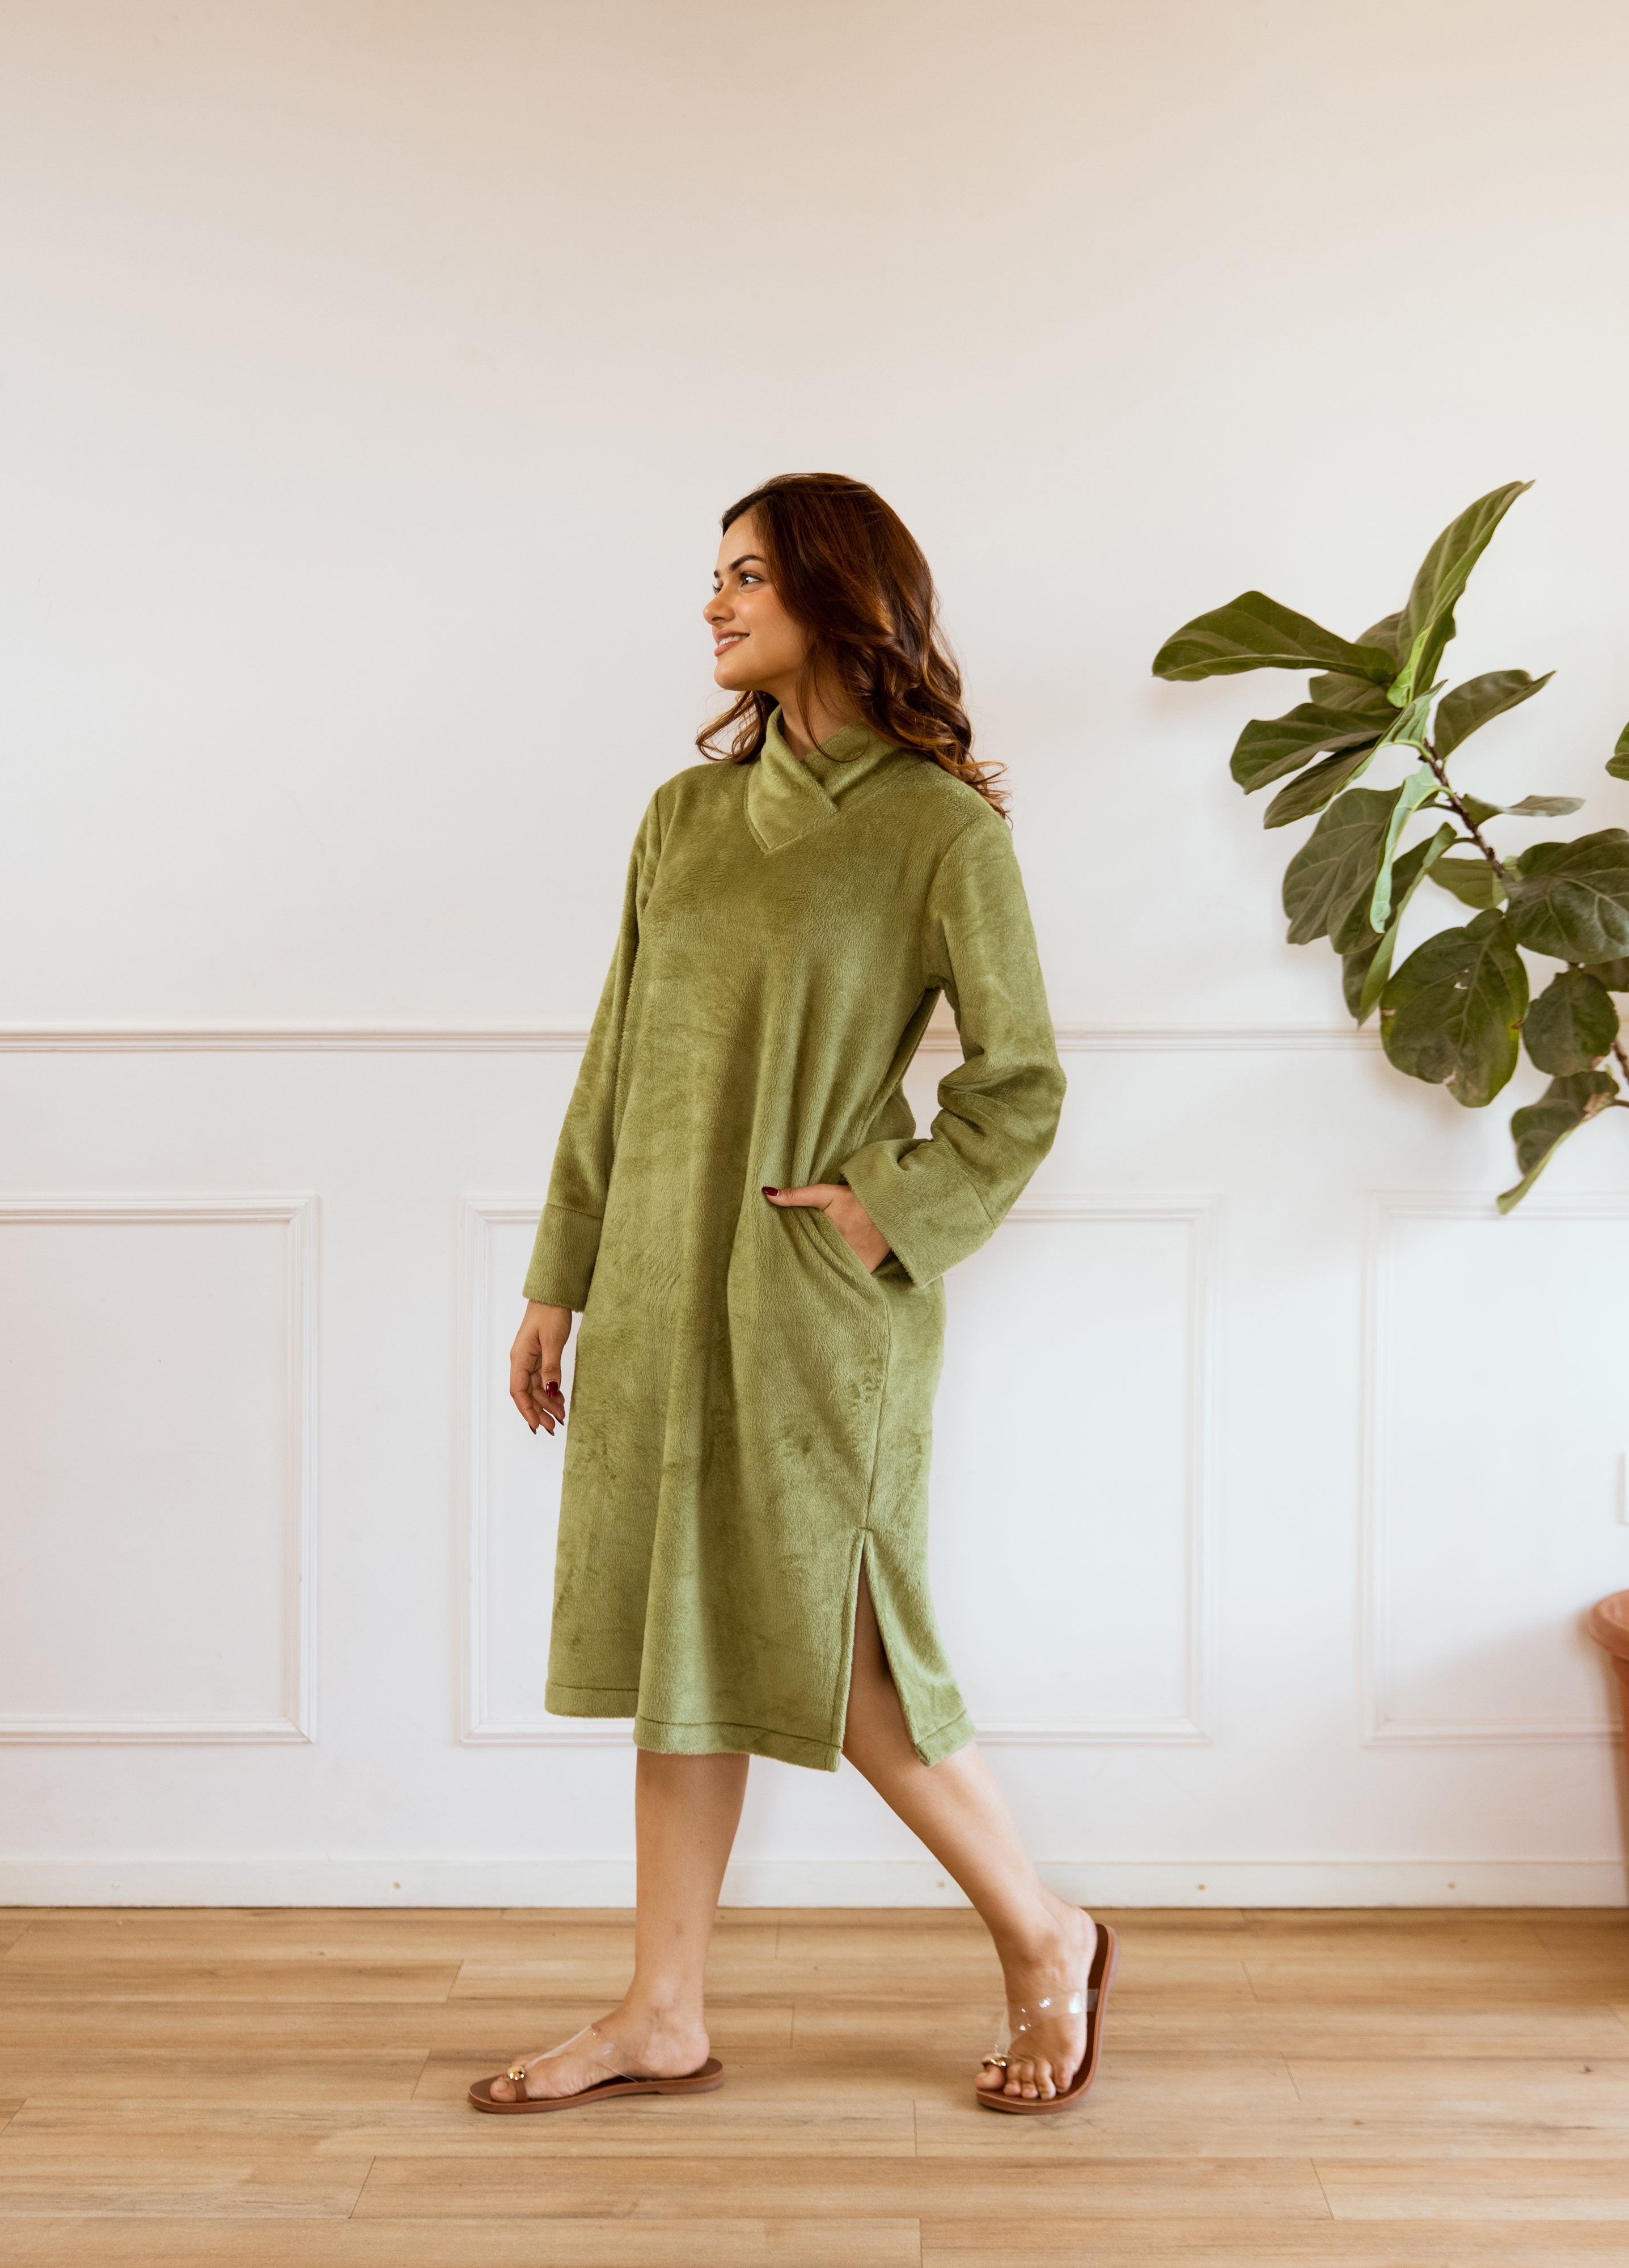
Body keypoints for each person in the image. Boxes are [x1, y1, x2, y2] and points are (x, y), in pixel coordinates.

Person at [469, 473, 1114, 2119]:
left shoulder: (939, 829)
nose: (714, 602)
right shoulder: (681, 821)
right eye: (717, 575)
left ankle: (1046, 1932)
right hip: (656, 1278)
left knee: (849, 1644)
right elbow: (615, 1064)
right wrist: (561, 1273)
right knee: (683, 1625)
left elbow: (1022, 1083)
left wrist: (885, 1214)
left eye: (748, 575)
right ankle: (661, 2010)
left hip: (818, 1295)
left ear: (837, 594)